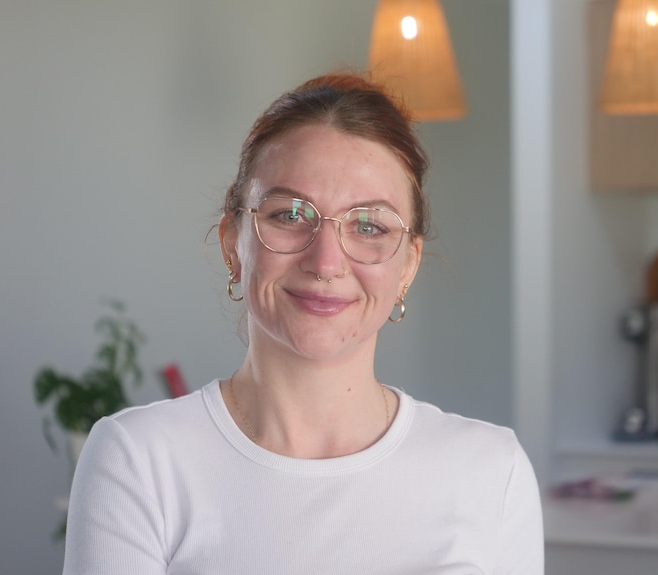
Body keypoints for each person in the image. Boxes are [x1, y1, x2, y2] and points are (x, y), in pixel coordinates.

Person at [63, 73, 544, 574]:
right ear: (233, 243)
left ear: (407, 265)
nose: (326, 262)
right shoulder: (139, 460)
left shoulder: (491, 471)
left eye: (369, 226)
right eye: (290, 215)